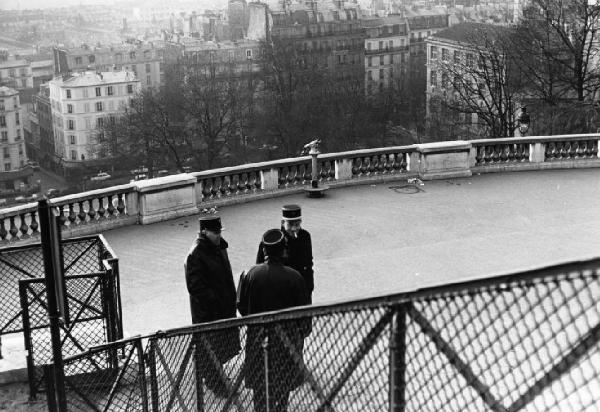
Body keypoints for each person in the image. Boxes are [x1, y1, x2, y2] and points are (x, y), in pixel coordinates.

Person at [239, 229, 311, 412]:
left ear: (264, 250)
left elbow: (241, 306)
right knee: (282, 390)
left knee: (260, 391)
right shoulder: (295, 277)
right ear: (283, 251)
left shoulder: (249, 274)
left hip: (257, 341)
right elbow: (303, 314)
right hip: (286, 343)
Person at [184, 215, 240, 401]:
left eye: (219, 232)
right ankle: (215, 382)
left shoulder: (216, 247)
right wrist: (216, 301)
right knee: (211, 347)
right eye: (215, 232)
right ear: (204, 232)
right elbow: (195, 287)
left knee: (219, 347)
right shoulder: (196, 254)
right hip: (209, 313)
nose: (218, 235)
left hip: (221, 308)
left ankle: (216, 376)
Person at [256, 204, 314, 301]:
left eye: (297, 224)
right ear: (283, 222)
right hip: (282, 289)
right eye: (290, 224)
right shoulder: (273, 240)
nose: (294, 229)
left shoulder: (305, 236)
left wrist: (309, 286)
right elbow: (260, 266)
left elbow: (308, 262)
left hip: (302, 286)